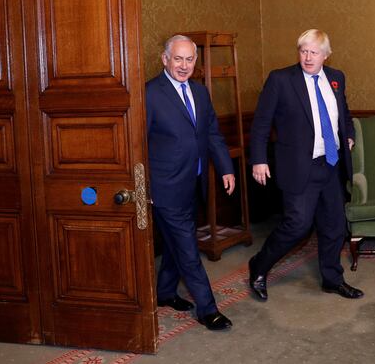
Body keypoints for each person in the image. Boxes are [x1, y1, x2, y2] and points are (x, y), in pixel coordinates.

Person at [247, 29, 363, 302]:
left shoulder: (336, 78)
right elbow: (262, 123)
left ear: (326, 55)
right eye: (303, 51)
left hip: (331, 165)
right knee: (297, 225)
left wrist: (348, 136)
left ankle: (333, 279)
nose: (308, 57)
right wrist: (259, 159)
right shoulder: (281, 80)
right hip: (300, 166)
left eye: (314, 52)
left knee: (334, 226)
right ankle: (259, 266)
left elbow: (343, 114)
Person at [145, 35, 236, 331]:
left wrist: (226, 168)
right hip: (165, 186)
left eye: (190, 59)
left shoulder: (200, 91)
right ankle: (208, 309)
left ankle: (166, 292)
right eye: (178, 59)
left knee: (175, 243)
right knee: (186, 246)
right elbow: (139, 145)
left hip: (193, 182)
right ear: (165, 59)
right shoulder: (149, 93)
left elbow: (211, 133)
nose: (184, 66)